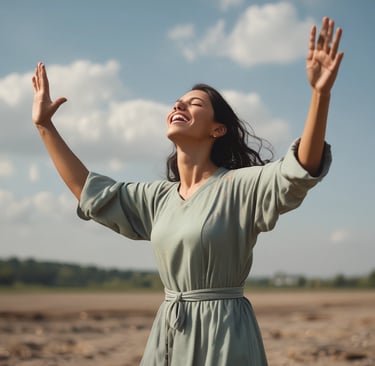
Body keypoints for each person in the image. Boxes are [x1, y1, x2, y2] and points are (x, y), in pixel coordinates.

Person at [32, 16, 343, 366]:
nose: (179, 105)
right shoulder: (157, 199)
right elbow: (90, 192)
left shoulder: (240, 186)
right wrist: (45, 126)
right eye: (177, 102)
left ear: (218, 129)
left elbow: (298, 171)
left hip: (224, 335)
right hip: (168, 332)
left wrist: (320, 95)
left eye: (194, 103)